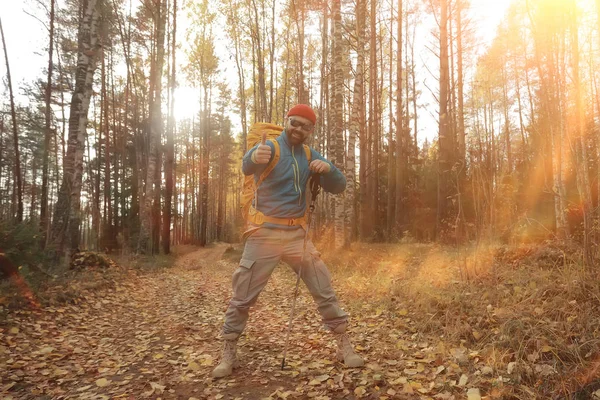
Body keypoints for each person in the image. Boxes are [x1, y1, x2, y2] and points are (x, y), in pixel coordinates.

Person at [212, 104, 364, 378]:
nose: (298, 129)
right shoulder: (269, 147)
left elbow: (339, 186)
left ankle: (344, 346)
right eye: (295, 123)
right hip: (264, 234)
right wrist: (253, 156)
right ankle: (228, 351)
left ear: (310, 130)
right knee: (242, 296)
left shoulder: (308, 154)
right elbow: (247, 166)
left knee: (324, 289)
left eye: (305, 126)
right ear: (286, 121)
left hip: (298, 236)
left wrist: (327, 168)